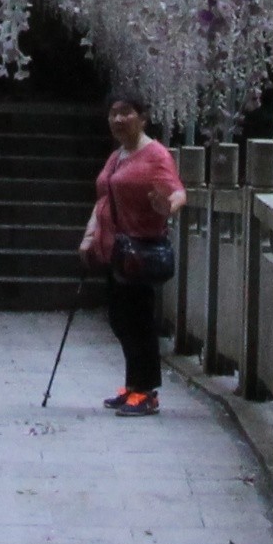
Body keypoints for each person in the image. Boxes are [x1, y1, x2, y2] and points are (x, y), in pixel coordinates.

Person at [79, 91, 184, 414]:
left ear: (143, 117)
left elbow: (178, 192)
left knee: (138, 319)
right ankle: (133, 383)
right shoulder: (118, 156)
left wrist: (167, 207)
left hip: (141, 249)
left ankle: (146, 391)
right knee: (120, 318)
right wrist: (89, 235)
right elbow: (103, 198)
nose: (118, 119)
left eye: (126, 113)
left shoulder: (156, 155)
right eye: (113, 114)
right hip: (116, 249)